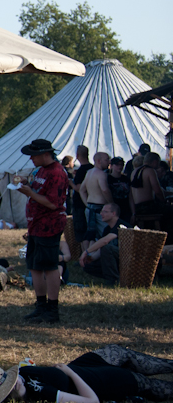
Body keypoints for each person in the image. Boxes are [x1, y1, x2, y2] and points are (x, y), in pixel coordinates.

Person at [0, 345, 173, 403]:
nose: (14, 378)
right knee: (147, 384)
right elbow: (92, 402)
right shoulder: (41, 394)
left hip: (84, 366)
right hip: (94, 382)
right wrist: (69, 372)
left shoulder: (21, 375)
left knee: (119, 352)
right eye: (10, 384)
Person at [17, 138, 69, 323]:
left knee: (49, 266)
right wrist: (28, 186)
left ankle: (52, 308)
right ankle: (40, 305)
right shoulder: (43, 171)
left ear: (45, 154)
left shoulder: (56, 172)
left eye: (34, 155)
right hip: (37, 225)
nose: (31, 158)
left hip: (49, 225)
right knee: (35, 266)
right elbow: (41, 192)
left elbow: (53, 204)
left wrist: (30, 193)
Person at [78, 202, 128, 285]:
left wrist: (86, 251)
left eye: (105, 212)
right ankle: (114, 275)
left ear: (113, 213)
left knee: (107, 248)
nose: (101, 214)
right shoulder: (107, 229)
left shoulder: (120, 225)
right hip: (114, 260)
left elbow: (105, 241)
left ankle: (113, 280)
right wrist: (91, 258)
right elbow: (101, 249)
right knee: (88, 267)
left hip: (126, 258)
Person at [78, 151, 112, 240]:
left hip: (90, 208)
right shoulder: (101, 174)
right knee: (104, 234)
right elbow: (105, 190)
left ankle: (91, 253)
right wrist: (111, 204)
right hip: (99, 208)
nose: (109, 162)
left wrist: (87, 205)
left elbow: (82, 190)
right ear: (99, 161)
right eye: (107, 159)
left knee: (93, 236)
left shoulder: (89, 172)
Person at [129, 152, 165, 225]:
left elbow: (131, 194)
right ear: (155, 162)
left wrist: (133, 213)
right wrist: (163, 201)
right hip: (148, 207)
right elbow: (157, 191)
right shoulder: (150, 171)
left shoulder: (134, 172)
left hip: (137, 207)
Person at [70, 145, 91, 241]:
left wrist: (70, 182)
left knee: (81, 232)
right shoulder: (92, 169)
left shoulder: (81, 171)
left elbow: (79, 188)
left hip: (80, 204)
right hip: (90, 202)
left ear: (77, 155)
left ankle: (84, 253)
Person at [106, 157, 131, 222]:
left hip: (126, 207)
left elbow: (131, 195)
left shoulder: (126, 179)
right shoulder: (107, 179)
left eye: (121, 164)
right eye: (117, 164)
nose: (120, 166)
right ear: (111, 166)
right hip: (113, 207)